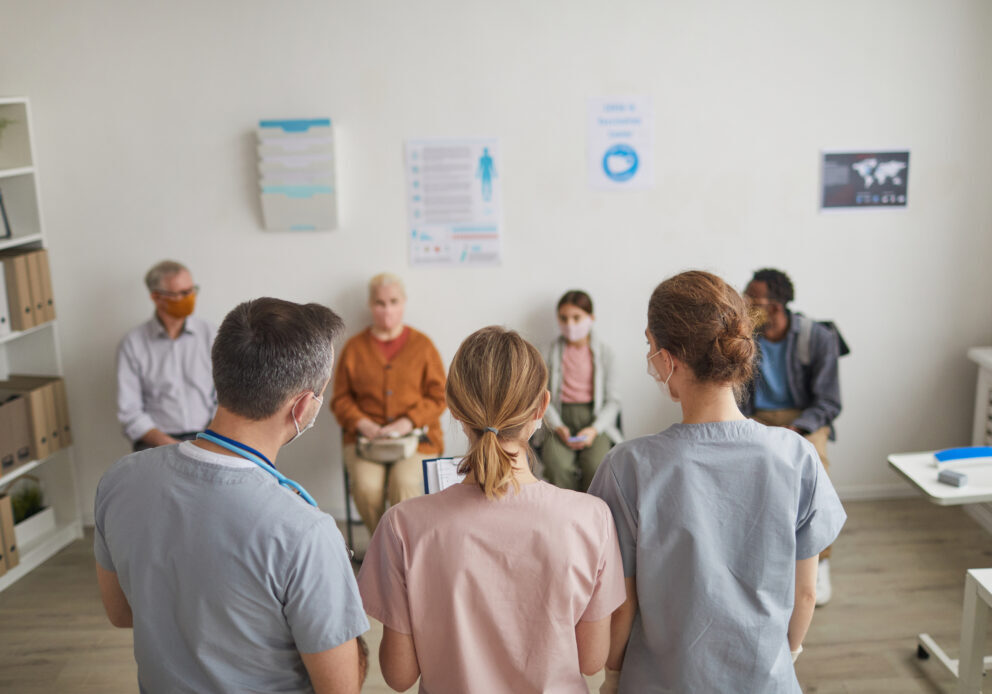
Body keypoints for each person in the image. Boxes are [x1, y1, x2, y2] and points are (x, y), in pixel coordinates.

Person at [588, 271, 846, 694]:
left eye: (650, 346)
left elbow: (622, 605)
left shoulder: (627, 467)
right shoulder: (797, 456)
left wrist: (613, 677)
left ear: (668, 358)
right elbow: (805, 595)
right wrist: (787, 657)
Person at [95, 298, 369, 694]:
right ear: (304, 405)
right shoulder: (304, 530)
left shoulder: (119, 480)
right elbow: (341, 687)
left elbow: (121, 613)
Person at [358, 326, 625, 693]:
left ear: (454, 409)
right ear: (542, 407)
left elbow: (399, 676)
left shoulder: (403, 525)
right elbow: (592, 661)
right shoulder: (591, 518)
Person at [743, 268, 843, 605]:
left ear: (774, 307)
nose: (744, 304)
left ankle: (820, 561)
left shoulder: (817, 338)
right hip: (757, 417)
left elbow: (829, 402)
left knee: (815, 472)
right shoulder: (744, 336)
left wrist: (797, 429)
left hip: (804, 417)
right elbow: (736, 395)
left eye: (751, 300)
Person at [330, 273, 446, 534]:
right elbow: (340, 399)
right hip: (365, 440)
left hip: (417, 439)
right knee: (366, 488)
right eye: (380, 303)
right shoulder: (354, 348)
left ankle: (404, 547)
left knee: (404, 485)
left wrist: (410, 421)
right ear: (370, 305)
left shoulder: (423, 345)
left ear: (404, 302)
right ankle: (382, 541)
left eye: (393, 301)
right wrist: (362, 423)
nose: (387, 310)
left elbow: (440, 395)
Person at [116, 260, 217, 451]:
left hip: (209, 437)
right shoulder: (133, 343)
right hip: (156, 443)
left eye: (192, 290)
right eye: (182, 293)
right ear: (156, 297)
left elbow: (226, 397)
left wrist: (210, 439)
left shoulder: (211, 335)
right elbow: (130, 412)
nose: (190, 297)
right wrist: (173, 446)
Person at [541, 290, 622, 491]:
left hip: (595, 420)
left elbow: (613, 401)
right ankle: (566, 514)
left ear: (591, 318)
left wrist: (595, 429)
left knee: (597, 465)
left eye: (577, 318)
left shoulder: (606, 354)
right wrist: (558, 426)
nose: (570, 324)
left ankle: (591, 512)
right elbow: (542, 395)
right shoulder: (548, 353)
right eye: (564, 318)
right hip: (558, 418)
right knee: (555, 464)